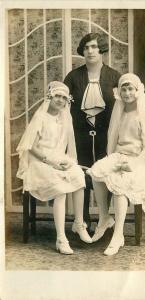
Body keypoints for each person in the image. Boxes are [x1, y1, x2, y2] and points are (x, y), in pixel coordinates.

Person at [87, 73, 145, 256]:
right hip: (120, 155)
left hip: (140, 160)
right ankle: (104, 218)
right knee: (96, 172)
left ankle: (118, 235)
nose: (127, 93)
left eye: (130, 89)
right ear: (120, 93)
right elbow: (115, 140)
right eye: (123, 89)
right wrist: (115, 160)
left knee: (120, 185)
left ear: (137, 91)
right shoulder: (120, 112)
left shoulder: (144, 114)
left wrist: (132, 164)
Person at [16, 81, 92, 255]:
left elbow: (68, 148)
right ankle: (61, 239)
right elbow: (31, 147)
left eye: (64, 98)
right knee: (61, 189)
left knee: (78, 176)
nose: (60, 100)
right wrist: (50, 162)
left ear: (67, 101)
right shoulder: (41, 117)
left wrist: (68, 162)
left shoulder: (65, 117)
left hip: (58, 159)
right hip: (39, 161)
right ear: (50, 97)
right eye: (57, 96)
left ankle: (79, 224)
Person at [64, 32, 121, 224]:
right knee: (82, 174)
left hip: (107, 136)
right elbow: (62, 108)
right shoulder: (73, 77)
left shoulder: (114, 77)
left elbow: (123, 109)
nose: (90, 51)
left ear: (102, 49)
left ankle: (105, 218)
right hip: (80, 136)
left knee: (106, 174)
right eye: (87, 47)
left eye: (94, 46)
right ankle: (84, 219)